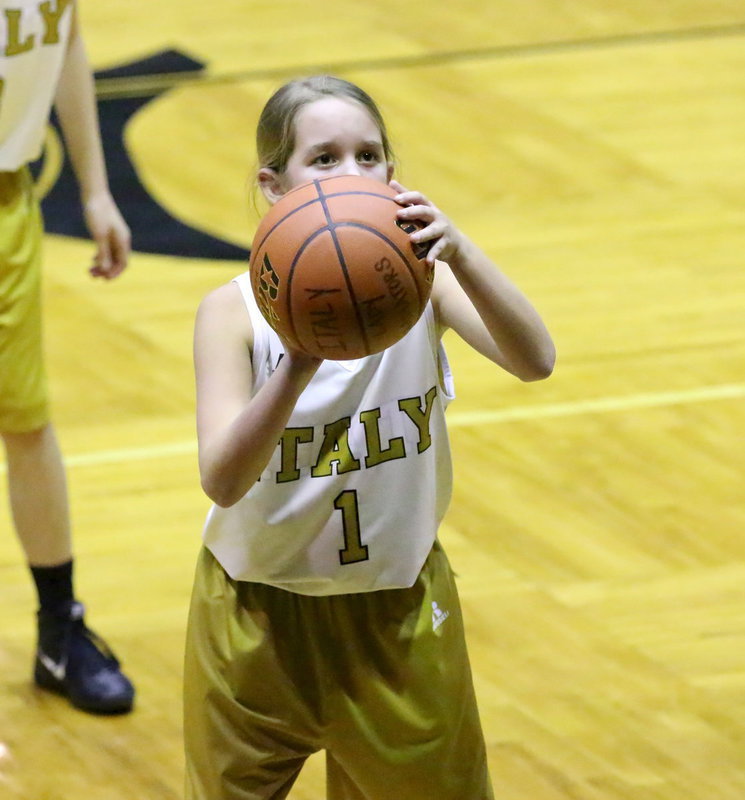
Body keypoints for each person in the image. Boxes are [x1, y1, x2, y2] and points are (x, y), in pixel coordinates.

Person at [185, 74, 555, 799]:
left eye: (369, 156)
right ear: (273, 184)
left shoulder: (425, 288)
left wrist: (462, 254)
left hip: (396, 609)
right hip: (256, 615)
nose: (351, 174)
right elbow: (222, 480)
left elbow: (534, 360)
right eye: (323, 159)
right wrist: (296, 362)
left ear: (393, 174)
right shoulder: (228, 315)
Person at [0, 1, 134, 714]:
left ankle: (60, 630)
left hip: (9, 201)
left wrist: (95, 190)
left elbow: (66, 37)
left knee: (26, 421)